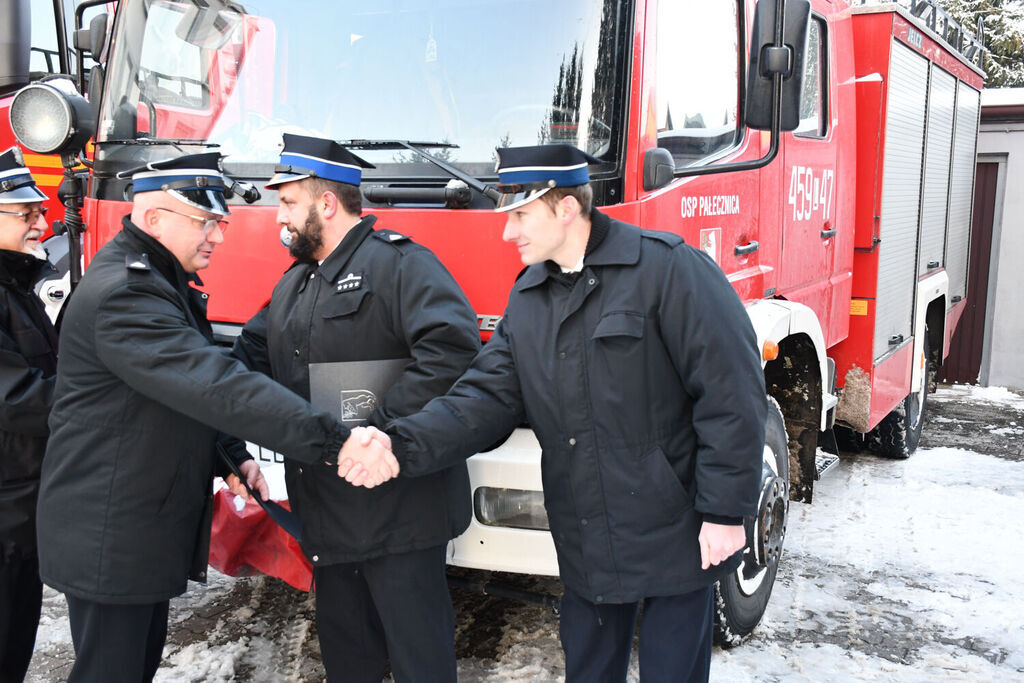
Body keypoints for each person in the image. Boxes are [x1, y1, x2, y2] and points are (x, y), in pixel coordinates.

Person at [359, 145, 767, 682]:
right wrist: (398, 442)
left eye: (520, 215)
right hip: (587, 543)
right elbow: (479, 399)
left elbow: (731, 393)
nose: (507, 232)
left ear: (566, 208)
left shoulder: (666, 269)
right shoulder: (529, 299)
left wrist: (724, 511)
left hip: (674, 539)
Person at [35, 152, 396, 683]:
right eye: (206, 222)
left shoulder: (158, 281)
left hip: (132, 524)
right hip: (111, 531)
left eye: (219, 223)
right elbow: (214, 384)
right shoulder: (127, 294)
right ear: (155, 219)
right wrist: (334, 441)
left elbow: (174, 398)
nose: (218, 237)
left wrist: (232, 458)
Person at [233, 133, 480, 682]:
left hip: (399, 515)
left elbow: (453, 351)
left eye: (289, 202)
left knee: (421, 662)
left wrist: (379, 434)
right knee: (349, 661)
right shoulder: (295, 282)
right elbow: (243, 362)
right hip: (326, 517)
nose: (280, 217)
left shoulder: (401, 264)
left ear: (326, 203)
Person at [0, 146, 58, 682]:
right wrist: (96, 396)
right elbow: (16, 398)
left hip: (21, 512)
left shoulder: (17, 287)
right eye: (25, 213)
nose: (42, 221)